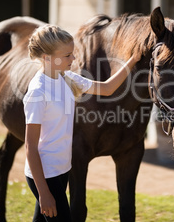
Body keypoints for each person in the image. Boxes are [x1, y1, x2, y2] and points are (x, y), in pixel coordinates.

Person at [23, 24, 140, 221]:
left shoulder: (67, 78)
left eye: (72, 53)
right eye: (67, 55)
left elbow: (108, 88)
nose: (74, 59)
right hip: (45, 173)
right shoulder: (38, 91)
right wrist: (44, 193)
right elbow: (30, 146)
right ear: (47, 58)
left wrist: (133, 60)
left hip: (62, 169)